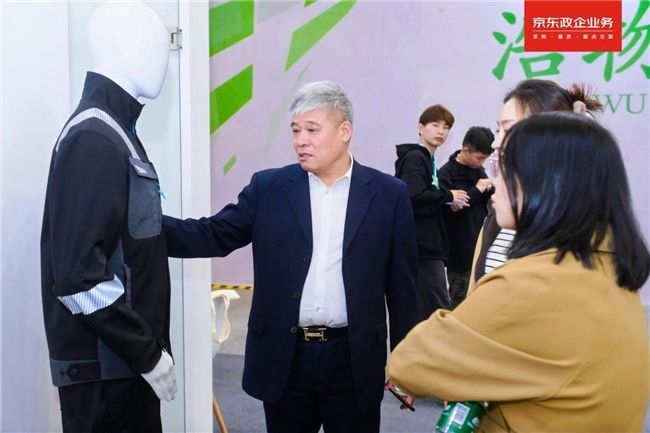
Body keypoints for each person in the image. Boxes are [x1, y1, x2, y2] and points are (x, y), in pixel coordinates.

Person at [163, 81, 420, 433]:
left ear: (345, 131)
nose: (301, 140)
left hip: (354, 360)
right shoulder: (268, 189)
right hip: (286, 359)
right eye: (296, 130)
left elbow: (403, 290)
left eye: (312, 129)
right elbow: (213, 234)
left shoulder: (389, 195)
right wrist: (141, 225)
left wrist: (409, 363)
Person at [388, 112, 650, 432]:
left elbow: (410, 363)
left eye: (505, 169)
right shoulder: (609, 263)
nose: (495, 183)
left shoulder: (530, 281)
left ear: (548, 183)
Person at [40, 3, 176, 432]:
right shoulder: (95, 138)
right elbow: (77, 278)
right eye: (156, 43)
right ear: (122, 45)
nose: (164, 58)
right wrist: (148, 355)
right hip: (107, 376)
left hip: (122, 367)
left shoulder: (116, 130)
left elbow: (134, 237)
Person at [469, 79, 602, 292]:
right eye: (498, 130)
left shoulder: (581, 228)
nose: (495, 143)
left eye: (508, 129)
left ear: (550, 139)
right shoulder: (497, 214)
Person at [394, 104, 469, 319]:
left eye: (446, 127)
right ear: (420, 127)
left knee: (427, 310)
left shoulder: (427, 158)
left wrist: (446, 202)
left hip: (427, 247)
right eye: (435, 125)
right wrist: (448, 196)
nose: (441, 131)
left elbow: (424, 197)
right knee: (438, 310)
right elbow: (414, 196)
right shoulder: (416, 158)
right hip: (422, 248)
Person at [438, 126, 494, 308]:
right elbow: (449, 211)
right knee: (461, 302)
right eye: (480, 158)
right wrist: (477, 189)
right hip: (459, 253)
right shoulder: (446, 174)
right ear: (465, 151)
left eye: (485, 158)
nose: (482, 162)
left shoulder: (478, 171)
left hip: (481, 247)